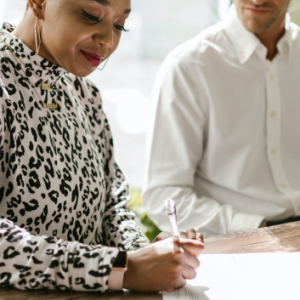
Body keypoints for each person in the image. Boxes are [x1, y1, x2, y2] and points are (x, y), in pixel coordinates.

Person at [0, 0, 204, 293]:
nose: (108, 40)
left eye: (120, 25)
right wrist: (120, 267)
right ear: (38, 3)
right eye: (90, 15)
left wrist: (143, 252)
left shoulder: (84, 93)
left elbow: (111, 205)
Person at [143, 0, 300, 238]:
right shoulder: (188, 66)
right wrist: (258, 229)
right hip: (237, 243)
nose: (257, 0)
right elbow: (163, 196)